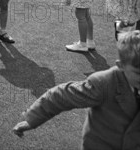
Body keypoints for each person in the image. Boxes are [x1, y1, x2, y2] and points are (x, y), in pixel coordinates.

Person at [12, 30, 140, 150]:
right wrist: (32, 119)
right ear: (121, 66)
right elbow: (62, 95)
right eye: (138, 73)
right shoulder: (104, 83)